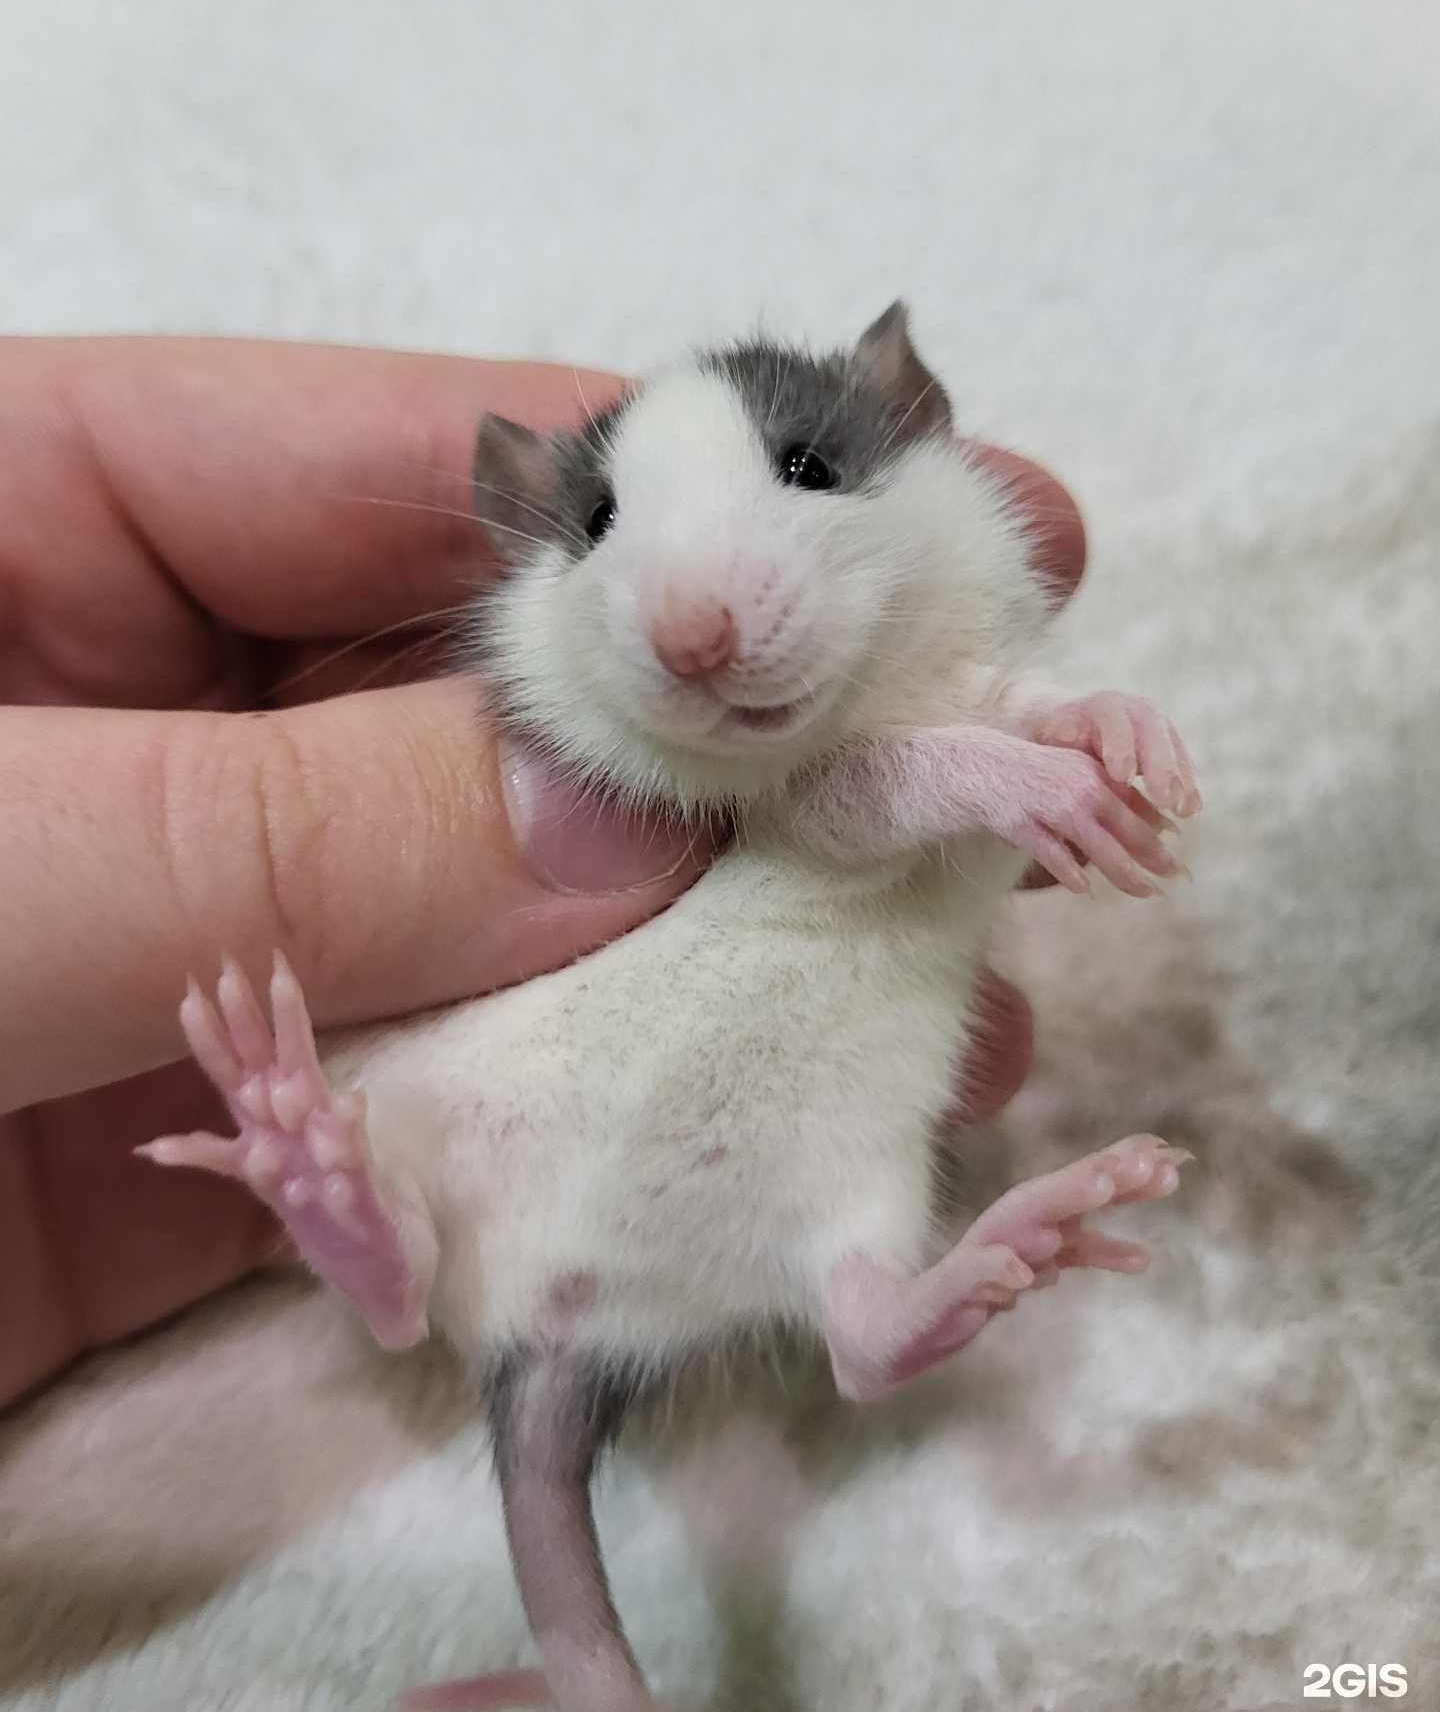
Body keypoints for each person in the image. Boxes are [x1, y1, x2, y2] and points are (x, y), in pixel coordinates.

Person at [0, 336, 1086, 1410]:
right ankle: (396, 1228)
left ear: (911, 416)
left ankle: (859, 1300)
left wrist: (1064, 736)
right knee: (396, 1089)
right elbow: (842, 802)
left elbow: (969, 725)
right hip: (535, 1144)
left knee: (875, 1088)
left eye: (802, 471)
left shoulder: (951, 584)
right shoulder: (585, 699)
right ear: (527, 526)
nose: (694, 631)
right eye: (602, 522)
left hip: (758, 1121)